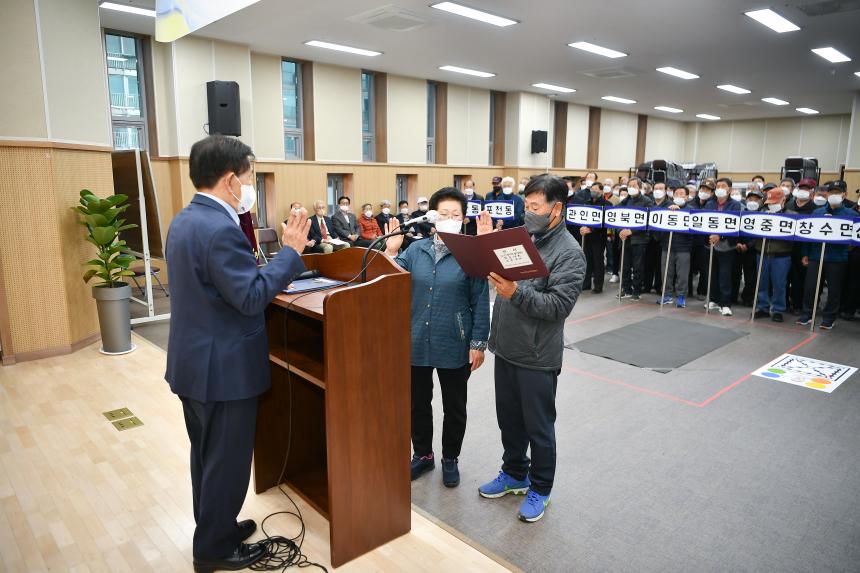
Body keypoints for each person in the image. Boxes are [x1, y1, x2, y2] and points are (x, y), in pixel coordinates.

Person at [165, 135, 309, 572]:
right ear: (230, 179)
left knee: (206, 457)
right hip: (223, 370)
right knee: (226, 463)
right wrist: (291, 253)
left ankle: (216, 527)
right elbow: (249, 298)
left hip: (195, 364)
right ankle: (214, 550)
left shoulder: (185, 220)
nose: (250, 186)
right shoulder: (219, 228)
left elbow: (219, 287)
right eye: (248, 177)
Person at [477, 174, 585, 523]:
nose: (528, 213)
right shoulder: (525, 239)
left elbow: (557, 308)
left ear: (557, 209)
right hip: (507, 346)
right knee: (509, 420)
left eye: (535, 207)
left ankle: (540, 487)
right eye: (526, 206)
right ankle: (514, 474)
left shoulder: (570, 253)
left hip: (537, 356)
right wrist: (486, 249)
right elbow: (501, 275)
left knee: (538, 428)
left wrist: (514, 293)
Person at [383, 188, 490, 488]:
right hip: (415, 339)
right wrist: (392, 250)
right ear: (432, 217)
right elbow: (391, 280)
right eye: (443, 214)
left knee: (454, 405)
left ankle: (450, 458)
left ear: (464, 219)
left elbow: (480, 299)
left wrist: (478, 343)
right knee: (418, 403)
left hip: (454, 341)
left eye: (456, 215)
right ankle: (424, 455)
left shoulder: (472, 255)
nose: (449, 219)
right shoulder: (415, 251)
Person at [797, 181, 855, 329]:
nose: (834, 195)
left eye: (837, 192)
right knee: (810, 286)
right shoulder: (817, 212)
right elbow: (807, 234)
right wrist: (805, 253)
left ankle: (829, 318)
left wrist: (851, 246)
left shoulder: (851, 214)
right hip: (816, 255)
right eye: (831, 192)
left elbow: (855, 237)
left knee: (834, 289)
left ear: (844, 194)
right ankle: (807, 314)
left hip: (837, 258)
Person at [752, 186, 796, 323]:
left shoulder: (792, 216)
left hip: (781, 256)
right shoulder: (761, 215)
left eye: (774, 203)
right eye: (769, 203)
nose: (771, 205)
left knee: (779, 284)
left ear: (784, 200)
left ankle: (778, 309)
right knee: (762, 283)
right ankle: (762, 307)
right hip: (762, 253)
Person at [704, 177, 743, 316]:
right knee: (712, 274)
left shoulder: (735, 205)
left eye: (723, 186)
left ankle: (725, 303)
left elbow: (734, 225)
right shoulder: (709, 204)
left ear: (729, 189)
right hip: (711, 245)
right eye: (718, 186)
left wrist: (720, 236)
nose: (719, 188)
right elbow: (705, 221)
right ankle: (713, 299)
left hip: (727, 246)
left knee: (725, 275)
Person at [617, 177, 653, 301]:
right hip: (625, 239)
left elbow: (648, 220)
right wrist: (620, 230)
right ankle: (626, 289)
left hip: (639, 239)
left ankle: (637, 291)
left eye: (634, 186)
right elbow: (616, 217)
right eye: (629, 186)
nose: (631, 188)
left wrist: (631, 231)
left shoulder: (647, 201)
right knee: (625, 266)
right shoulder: (624, 201)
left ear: (639, 187)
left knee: (638, 267)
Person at [657, 183, 693, 307]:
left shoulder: (691, 211)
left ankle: (681, 296)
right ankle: (666, 295)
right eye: (676, 194)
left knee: (682, 275)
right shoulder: (666, 209)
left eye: (681, 194)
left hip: (683, 248)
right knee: (666, 273)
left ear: (687, 197)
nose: (678, 196)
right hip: (667, 246)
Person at [785, 178, 817, 312]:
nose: (803, 191)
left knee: (799, 279)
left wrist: (807, 254)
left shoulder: (816, 209)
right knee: (785, 278)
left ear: (812, 192)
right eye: (801, 188)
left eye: (807, 189)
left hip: (803, 249)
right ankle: (785, 303)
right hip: (786, 247)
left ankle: (797, 305)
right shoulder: (788, 205)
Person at [578, 181, 610, 293]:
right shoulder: (587, 203)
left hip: (599, 237)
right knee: (587, 260)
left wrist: (591, 229)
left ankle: (598, 285)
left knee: (598, 260)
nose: (593, 192)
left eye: (596, 189)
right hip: (587, 237)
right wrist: (582, 227)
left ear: (601, 191)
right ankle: (586, 284)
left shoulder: (607, 204)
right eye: (592, 189)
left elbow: (604, 221)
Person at [688, 179, 715, 301]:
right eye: (703, 189)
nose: (704, 191)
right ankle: (688, 290)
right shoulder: (691, 203)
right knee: (689, 267)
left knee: (704, 269)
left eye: (707, 190)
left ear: (712, 192)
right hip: (691, 240)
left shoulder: (713, 205)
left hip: (705, 242)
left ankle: (702, 291)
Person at [643, 181, 672, 294]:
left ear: (665, 191)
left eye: (661, 188)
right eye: (656, 188)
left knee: (661, 265)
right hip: (649, 239)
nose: (658, 191)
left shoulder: (670, 205)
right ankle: (647, 285)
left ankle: (659, 287)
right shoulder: (649, 204)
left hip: (663, 239)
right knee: (648, 264)